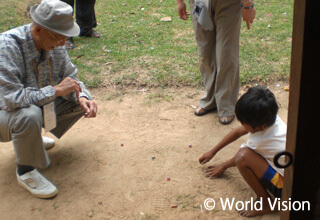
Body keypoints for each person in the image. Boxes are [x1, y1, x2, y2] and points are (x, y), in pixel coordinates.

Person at [0, 0, 98, 198]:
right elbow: (10, 99)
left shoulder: (53, 43)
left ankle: (31, 139)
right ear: (37, 30)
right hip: (5, 113)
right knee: (29, 115)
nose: (63, 43)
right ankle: (25, 171)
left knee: (75, 99)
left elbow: (71, 77)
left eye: (66, 37)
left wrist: (82, 96)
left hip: (27, 105)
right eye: (59, 37)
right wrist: (54, 91)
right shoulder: (7, 46)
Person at [199, 86, 287, 217]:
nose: (240, 124)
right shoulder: (270, 118)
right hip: (291, 174)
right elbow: (238, 131)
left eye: (243, 122)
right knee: (246, 155)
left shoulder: (259, 142)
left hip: (284, 186)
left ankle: (266, 203)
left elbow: (239, 159)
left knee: (243, 156)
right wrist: (213, 151)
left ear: (260, 127)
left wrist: (223, 165)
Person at [177, 0, 256, 124]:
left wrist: (248, 5)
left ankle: (226, 104)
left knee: (226, 53)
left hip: (228, 4)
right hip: (199, 2)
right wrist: (179, 2)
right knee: (205, 52)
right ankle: (210, 99)